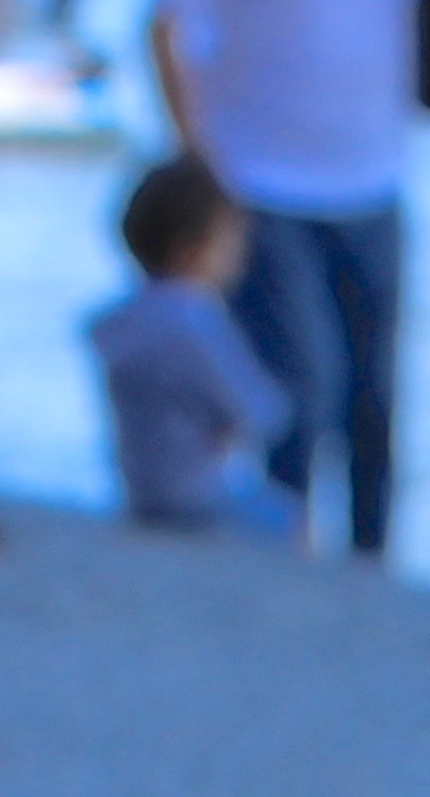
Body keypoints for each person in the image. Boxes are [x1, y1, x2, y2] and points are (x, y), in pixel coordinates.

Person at [146, 0, 405, 556]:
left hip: (375, 178)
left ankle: (374, 572)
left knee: (375, 404)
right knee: (299, 397)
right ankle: (289, 564)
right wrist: (198, 168)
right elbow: (164, 27)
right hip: (257, 179)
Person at [85, 156, 294, 536]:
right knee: (288, 516)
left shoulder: (118, 322)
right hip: (199, 500)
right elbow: (260, 413)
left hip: (140, 494)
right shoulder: (195, 321)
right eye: (230, 242)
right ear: (192, 248)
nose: (240, 256)